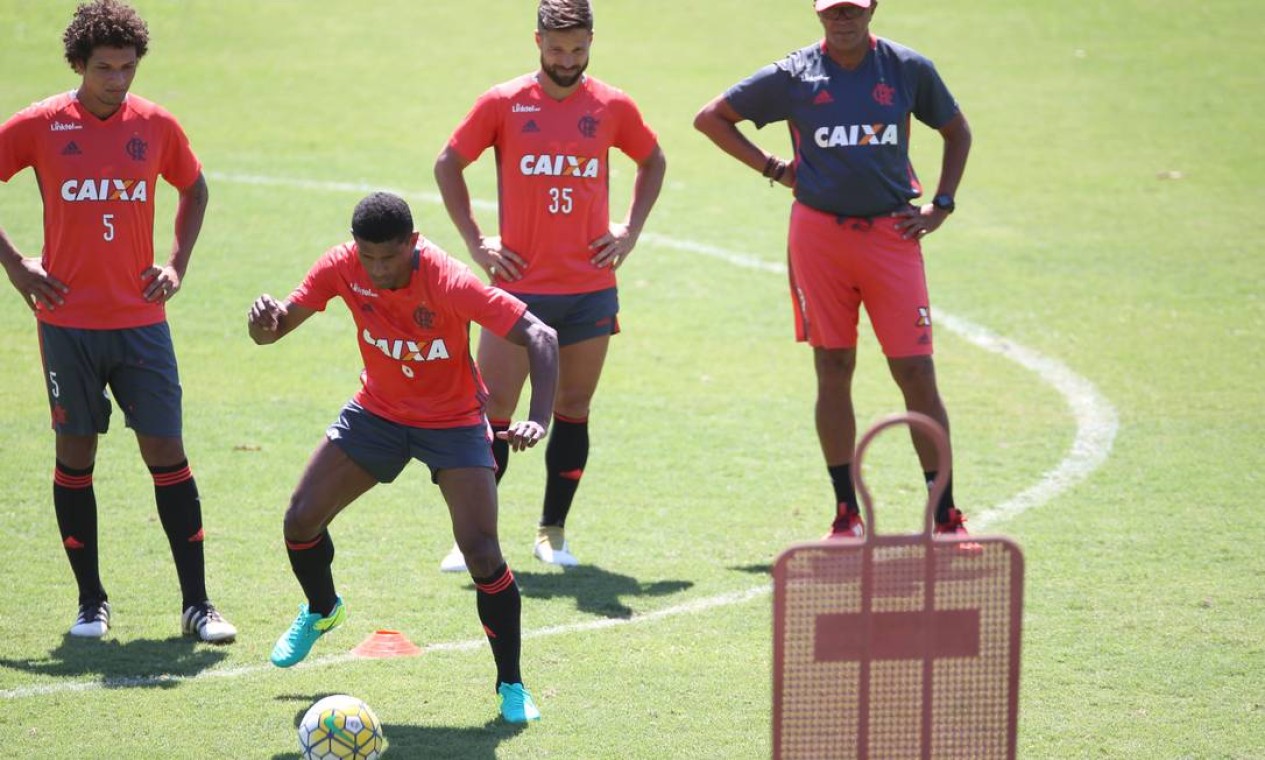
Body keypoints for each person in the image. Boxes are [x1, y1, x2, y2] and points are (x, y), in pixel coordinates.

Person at [248, 192, 559, 724]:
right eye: (368, 257)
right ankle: (323, 609)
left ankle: (511, 685)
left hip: (453, 422)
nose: (376, 269)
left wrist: (539, 416)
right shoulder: (342, 266)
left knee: (483, 554)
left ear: (413, 244)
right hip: (379, 413)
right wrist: (264, 322)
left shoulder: (449, 281)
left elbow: (540, 334)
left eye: (388, 259)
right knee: (300, 520)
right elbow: (272, 333)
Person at [0, 0, 235, 642]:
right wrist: (17, 265)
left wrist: (177, 265)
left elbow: (195, 188)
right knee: (75, 455)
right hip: (67, 326)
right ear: (78, 64)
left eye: (128, 68)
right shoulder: (41, 125)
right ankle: (90, 603)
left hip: (140, 325)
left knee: (166, 451)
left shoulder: (155, 125)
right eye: (104, 68)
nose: (118, 80)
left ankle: (198, 605)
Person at [693, 0, 973, 538]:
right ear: (818, 13)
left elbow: (957, 131)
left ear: (872, 9)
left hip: (892, 238)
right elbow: (711, 119)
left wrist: (942, 203)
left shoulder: (908, 68)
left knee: (916, 371)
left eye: (852, 9)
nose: (842, 18)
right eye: (833, 11)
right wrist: (775, 168)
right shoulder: (795, 73)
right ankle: (846, 513)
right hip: (819, 238)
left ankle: (945, 515)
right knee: (833, 367)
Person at [433, 0, 666, 571]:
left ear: (592, 42)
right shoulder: (504, 103)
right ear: (537, 41)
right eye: (558, 49)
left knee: (574, 407)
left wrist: (629, 232)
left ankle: (552, 535)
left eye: (579, 49)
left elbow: (652, 160)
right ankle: (475, 540)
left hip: (589, 289)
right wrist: (476, 240)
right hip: (517, 289)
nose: (568, 60)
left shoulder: (612, 106)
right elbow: (447, 164)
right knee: (493, 412)